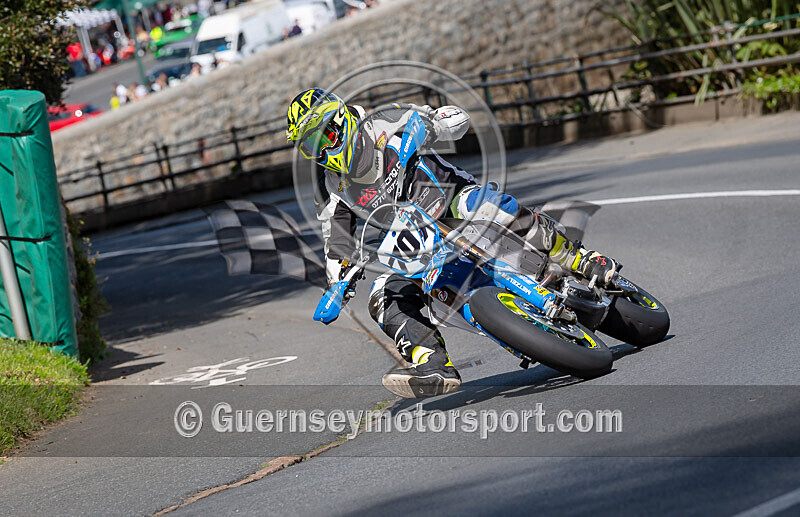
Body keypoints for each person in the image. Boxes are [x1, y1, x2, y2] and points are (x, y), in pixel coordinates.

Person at [286, 88, 619, 398]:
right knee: (382, 294)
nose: (321, 150)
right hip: (411, 239)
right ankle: (432, 363)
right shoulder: (330, 188)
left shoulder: (384, 121)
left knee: (486, 205)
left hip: (452, 201)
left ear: (342, 120)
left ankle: (579, 258)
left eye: (324, 136)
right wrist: (336, 285)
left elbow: (444, 119)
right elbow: (336, 240)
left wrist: (432, 125)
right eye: (310, 146)